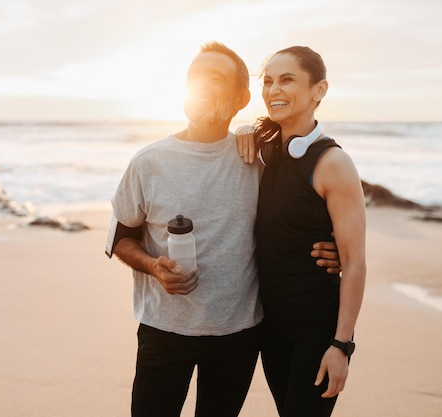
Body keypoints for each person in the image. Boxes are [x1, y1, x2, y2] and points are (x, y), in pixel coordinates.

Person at [106, 41, 341, 417]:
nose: (200, 87)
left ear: (240, 97)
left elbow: (309, 208)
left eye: (214, 79)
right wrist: (154, 267)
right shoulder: (148, 162)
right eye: (193, 79)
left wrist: (335, 248)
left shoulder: (260, 159)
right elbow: (121, 238)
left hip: (239, 335)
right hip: (164, 331)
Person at [251, 46, 366, 417]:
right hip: (271, 329)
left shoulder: (333, 163)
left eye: (287, 80)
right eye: (267, 81)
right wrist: (243, 131)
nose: (273, 90)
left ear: (319, 90)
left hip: (316, 332)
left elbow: (354, 261)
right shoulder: (264, 154)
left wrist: (341, 345)